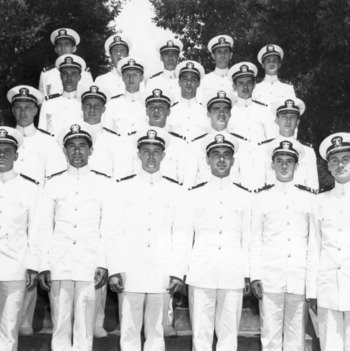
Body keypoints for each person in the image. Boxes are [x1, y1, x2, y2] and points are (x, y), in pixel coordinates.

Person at [106, 126, 188, 351]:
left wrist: (177, 271)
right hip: (129, 272)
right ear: (138, 154)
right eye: (146, 151)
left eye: (156, 151)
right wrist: (114, 269)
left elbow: (181, 234)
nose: (151, 156)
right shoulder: (122, 188)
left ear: (163, 155)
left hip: (161, 272)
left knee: (156, 332)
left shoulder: (176, 191)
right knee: (129, 332)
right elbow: (112, 231)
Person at [37, 121, 110, 351]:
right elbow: (43, 227)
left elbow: (108, 227)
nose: (77, 151)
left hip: (90, 263)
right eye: (72, 146)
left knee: (85, 327)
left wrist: (103, 262)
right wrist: (43, 264)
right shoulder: (53, 183)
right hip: (60, 262)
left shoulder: (103, 183)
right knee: (60, 325)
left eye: (82, 146)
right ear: (64, 150)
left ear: (91, 150)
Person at [6, 85, 66, 336]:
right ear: (13, 109)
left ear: (36, 109)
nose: (23, 111)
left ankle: (25, 319)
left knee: (34, 256)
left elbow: (55, 177)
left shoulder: (47, 142)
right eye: (18, 107)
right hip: (10, 209)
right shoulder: (4, 137)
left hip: (40, 207)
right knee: (15, 257)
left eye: (28, 107)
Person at [184, 132, 251, 351]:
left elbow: (249, 238)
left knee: (229, 336)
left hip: (232, 271)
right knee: (200, 336)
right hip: (201, 271)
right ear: (208, 160)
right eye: (216, 155)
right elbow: (185, 236)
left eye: (226, 155)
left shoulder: (245, 196)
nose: (221, 159)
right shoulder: (194, 195)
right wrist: (184, 270)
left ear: (233, 160)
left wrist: (248, 272)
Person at [250, 138, 315, 351]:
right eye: (280, 161)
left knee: (296, 339)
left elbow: (313, 242)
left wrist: (311, 280)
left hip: (298, 277)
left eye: (289, 161)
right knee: (270, 337)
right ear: (272, 165)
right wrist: (255, 274)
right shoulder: (261, 198)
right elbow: (255, 239)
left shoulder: (308, 199)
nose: (284, 165)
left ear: (297, 165)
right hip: (270, 278)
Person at [307, 132, 350, 351]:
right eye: (334, 160)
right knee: (330, 347)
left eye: (345, 159)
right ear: (328, 167)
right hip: (328, 288)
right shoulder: (320, 201)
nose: (340, 164)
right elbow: (314, 246)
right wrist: (312, 291)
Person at [0, 127, 40, 351]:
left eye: (7, 150)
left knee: (9, 329)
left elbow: (36, 230)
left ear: (16, 155)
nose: (2, 154)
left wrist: (32, 265)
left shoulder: (29, 189)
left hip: (15, 267)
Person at [227, 62, 277, 190]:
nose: (245, 87)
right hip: (236, 164)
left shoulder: (265, 110)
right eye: (241, 83)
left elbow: (272, 141)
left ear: (254, 84)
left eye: (249, 83)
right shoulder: (228, 111)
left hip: (260, 164)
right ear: (234, 86)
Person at [257, 97, 319, 192]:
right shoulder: (263, 149)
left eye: (292, 117)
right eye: (284, 117)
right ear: (277, 120)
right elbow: (258, 186)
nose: (288, 121)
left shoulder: (308, 151)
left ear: (298, 122)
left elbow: (313, 187)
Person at [38, 28, 92, 99]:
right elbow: (42, 100)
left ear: (74, 48)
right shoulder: (46, 74)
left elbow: (89, 98)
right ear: (56, 49)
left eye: (67, 44)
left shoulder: (84, 73)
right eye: (59, 45)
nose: (63, 47)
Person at [39, 54, 86, 135]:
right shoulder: (48, 103)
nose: (69, 78)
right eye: (65, 74)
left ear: (79, 77)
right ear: (60, 76)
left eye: (73, 74)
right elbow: (42, 132)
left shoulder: (85, 103)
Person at [103, 56, 148, 134]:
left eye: (135, 75)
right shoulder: (112, 104)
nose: (131, 78)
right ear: (123, 78)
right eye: (127, 75)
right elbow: (107, 131)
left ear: (141, 78)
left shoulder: (149, 103)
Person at [167, 60, 209, 142]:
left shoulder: (206, 111)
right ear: (179, 82)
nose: (189, 83)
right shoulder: (170, 111)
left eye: (193, 79)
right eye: (185, 79)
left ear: (198, 83)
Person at [199, 35, 235, 102]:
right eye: (219, 52)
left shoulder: (237, 80)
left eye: (226, 51)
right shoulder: (204, 80)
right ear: (213, 56)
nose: (222, 55)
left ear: (230, 55)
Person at [146, 38, 183, 103]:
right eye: (166, 54)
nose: (170, 58)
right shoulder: (152, 82)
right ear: (161, 58)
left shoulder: (185, 81)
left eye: (174, 54)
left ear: (178, 57)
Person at [95, 34, 132, 98]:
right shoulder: (101, 80)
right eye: (115, 51)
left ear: (127, 55)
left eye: (122, 50)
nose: (118, 54)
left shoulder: (137, 79)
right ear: (111, 56)